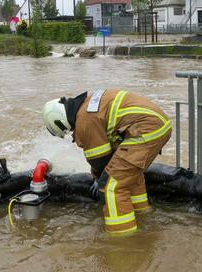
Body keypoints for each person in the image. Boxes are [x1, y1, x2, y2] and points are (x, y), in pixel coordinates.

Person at [42, 89, 171, 235]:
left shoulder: (85, 120)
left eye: (67, 130)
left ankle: (123, 238)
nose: (71, 132)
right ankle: (142, 214)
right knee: (129, 176)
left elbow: (100, 160)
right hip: (158, 125)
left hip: (145, 130)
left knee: (112, 186)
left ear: (60, 121)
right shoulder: (88, 104)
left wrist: (99, 180)